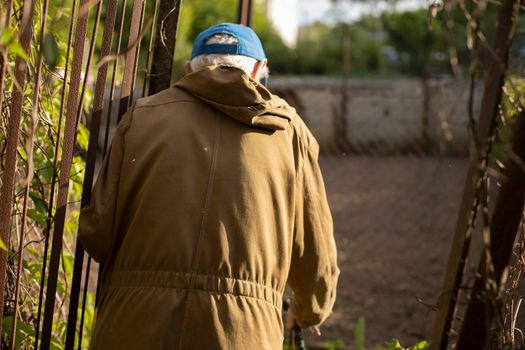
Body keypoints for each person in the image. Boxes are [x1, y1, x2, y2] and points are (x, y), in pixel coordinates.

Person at [78, 23, 339, 349]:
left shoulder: (141, 117)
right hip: (242, 332)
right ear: (259, 69)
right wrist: (309, 313)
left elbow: (97, 233)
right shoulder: (290, 133)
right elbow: (315, 251)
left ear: (189, 70)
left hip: (134, 326)